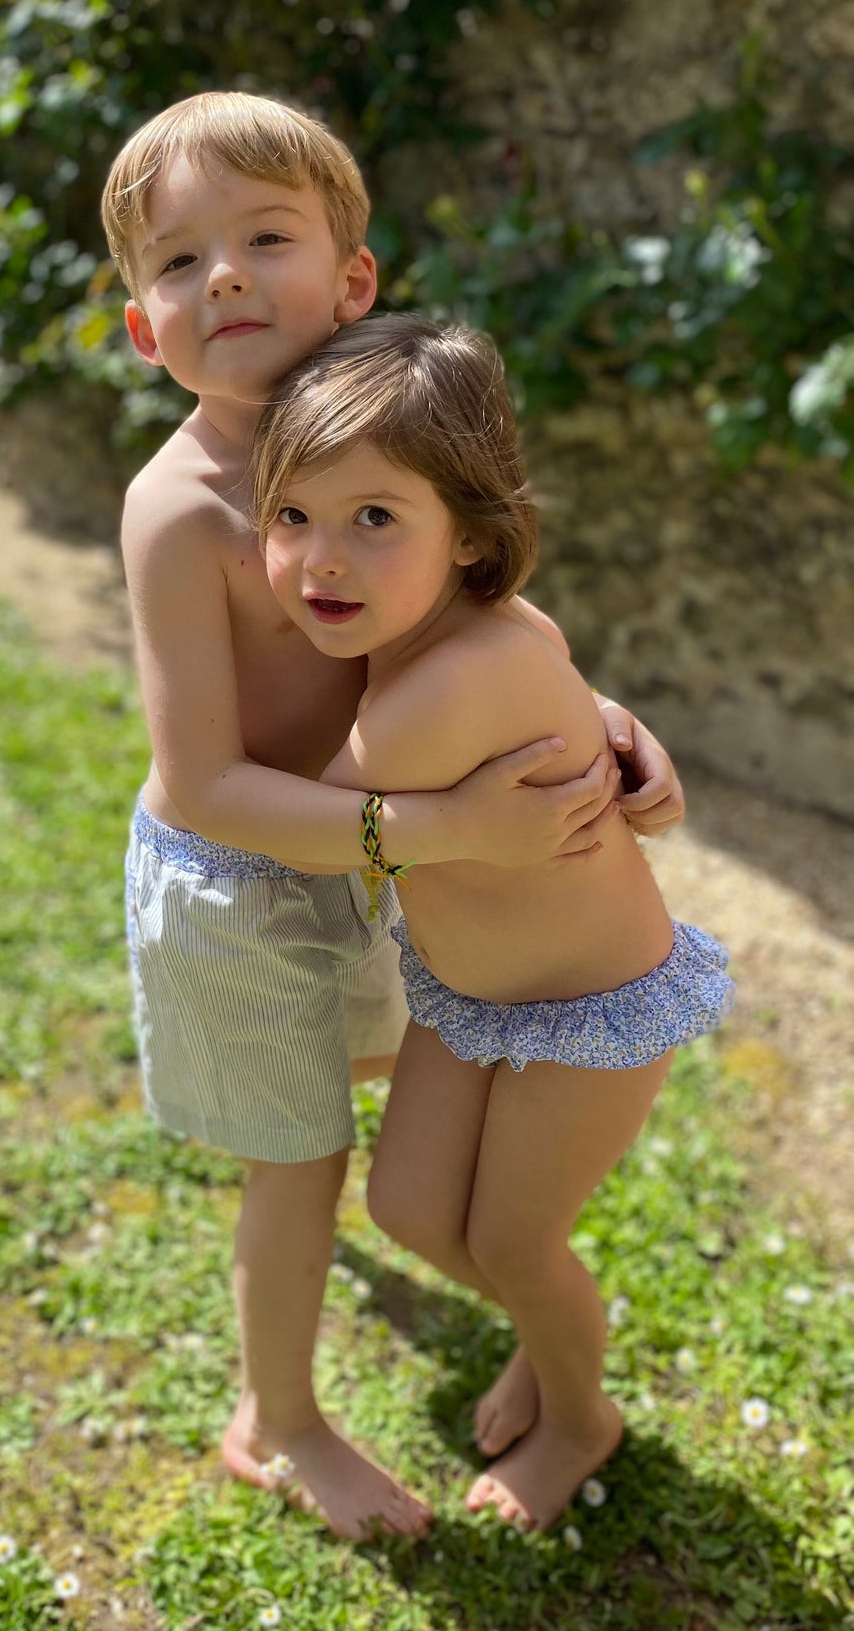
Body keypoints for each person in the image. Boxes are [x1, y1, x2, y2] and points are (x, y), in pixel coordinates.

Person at [104, 92, 688, 1540]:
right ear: (142, 329)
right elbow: (205, 784)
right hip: (244, 870)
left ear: (352, 282)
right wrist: (449, 829)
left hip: (382, 848)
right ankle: (279, 1417)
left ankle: (511, 1301)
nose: (222, 276)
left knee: (378, 1082)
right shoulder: (179, 511)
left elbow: (484, 597)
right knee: (295, 1149)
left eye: (263, 238)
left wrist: (611, 723)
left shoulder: (381, 414)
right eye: (177, 263)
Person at [249, 310, 733, 1530]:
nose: (322, 561)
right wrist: (620, 728)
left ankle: (578, 1411)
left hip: (591, 1003)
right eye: (291, 516)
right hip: (470, 994)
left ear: (469, 536)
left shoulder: (431, 698)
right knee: (409, 1210)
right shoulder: (477, 634)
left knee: (516, 1241)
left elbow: (287, 814)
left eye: (373, 519)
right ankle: (543, 1330)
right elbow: (564, 680)